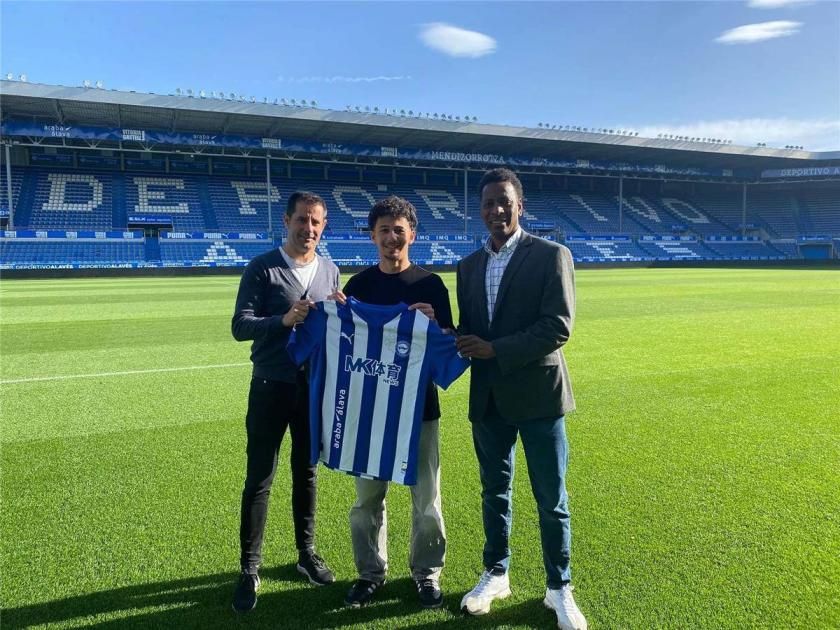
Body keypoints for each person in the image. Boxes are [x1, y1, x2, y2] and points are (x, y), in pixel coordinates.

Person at [455, 169, 587, 630]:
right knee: (494, 492)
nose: (496, 210)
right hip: (489, 398)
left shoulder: (551, 255)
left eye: (504, 202)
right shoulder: (468, 266)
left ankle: (559, 587)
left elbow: (558, 326)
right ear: (480, 209)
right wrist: (439, 328)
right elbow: (471, 330)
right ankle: (496, 574)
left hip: (539, 396)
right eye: (488, 203)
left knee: (551, 498)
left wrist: (496, 349)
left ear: (520, 205)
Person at [230, 191, 342, 613]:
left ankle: (306, 554)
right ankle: (249, 568)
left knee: (307, 473)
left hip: (312, 388)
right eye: (301, 220)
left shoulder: (330, 270)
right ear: (287, 220)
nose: (308, 229)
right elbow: (240, 326)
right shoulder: (263, 267)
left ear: (323, 226)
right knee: (259, 478)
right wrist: (283, 319)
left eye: (315, 222)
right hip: (270, 385)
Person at [341, 196, 454, 609]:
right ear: (373, 236)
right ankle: (370, 573)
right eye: (384, 230)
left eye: (399, 230)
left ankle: (427, 573)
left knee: (427, 500)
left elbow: (449, 346)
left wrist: (437, 325)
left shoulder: (431, 285)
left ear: (413, 235)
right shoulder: (357, 287)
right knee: (366, 501)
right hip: (370, 411)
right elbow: (344, 344)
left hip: (420, 410)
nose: (392, 237)